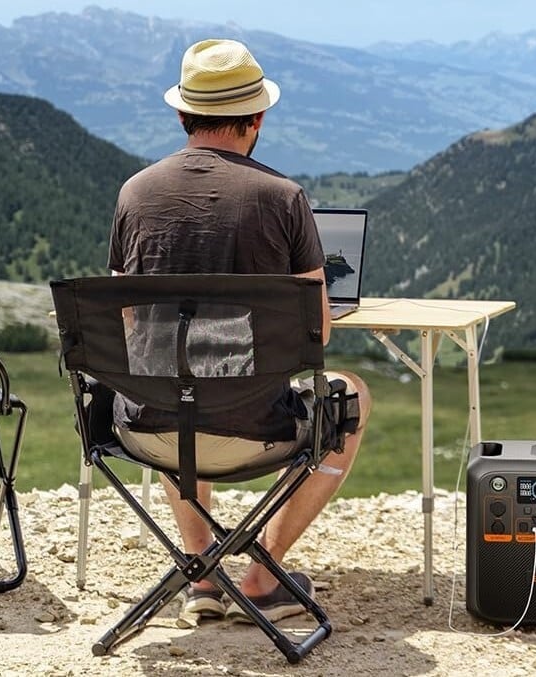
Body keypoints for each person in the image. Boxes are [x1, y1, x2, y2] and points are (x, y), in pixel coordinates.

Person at [107, 38, 371, 623]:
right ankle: (260, 574)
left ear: (182, 115)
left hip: (149, 431)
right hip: (254, 428)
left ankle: (200, 574)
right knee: (352, 395)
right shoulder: (284, 198)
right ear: (256, 118)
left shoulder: (134, 194)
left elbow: (124, 319)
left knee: (178, 383)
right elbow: (316, 334)